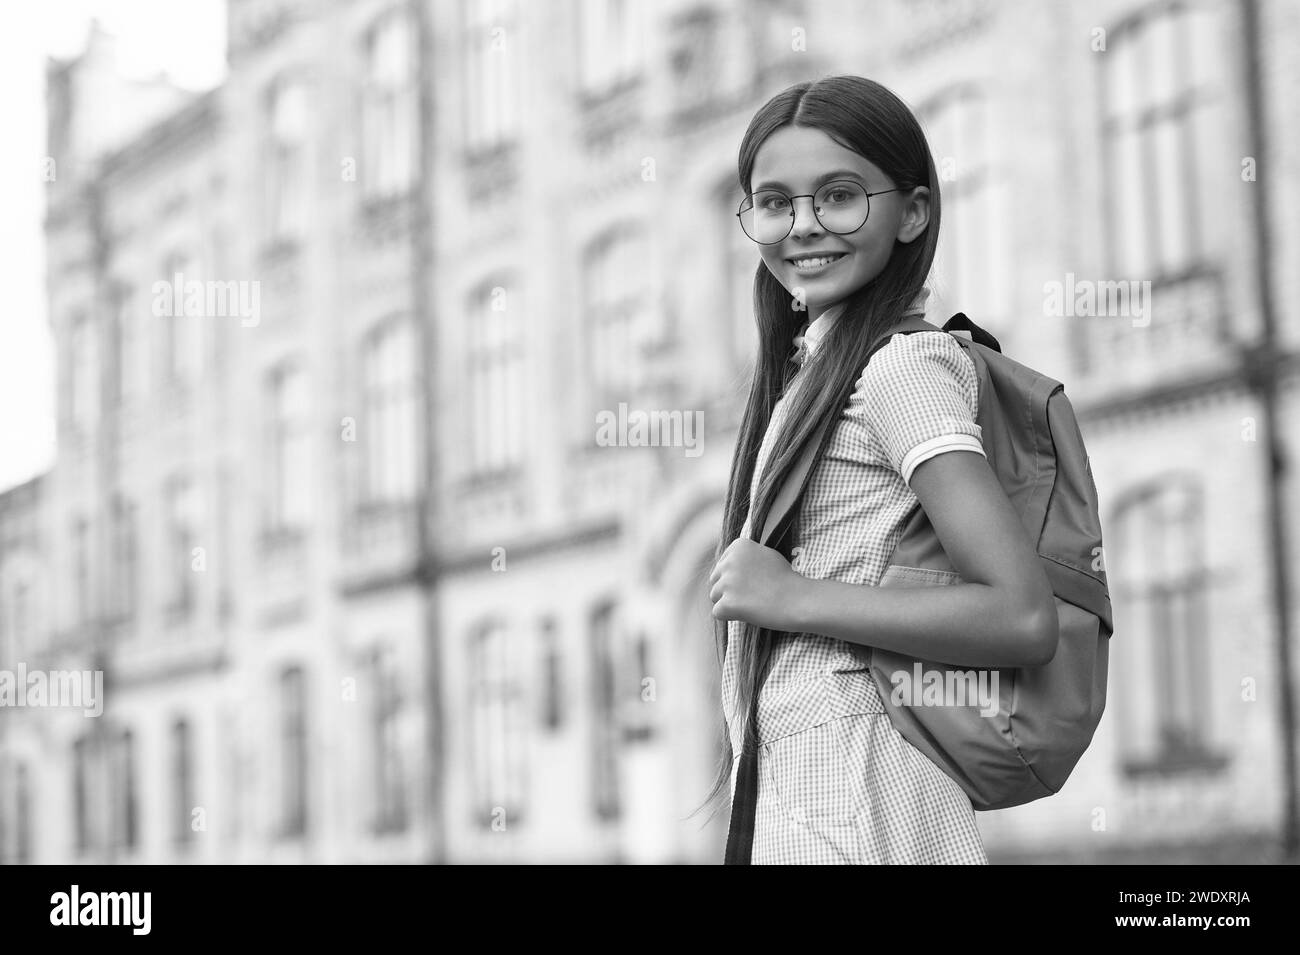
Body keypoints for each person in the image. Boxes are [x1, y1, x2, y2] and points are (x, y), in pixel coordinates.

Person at [703, 75, 1059, 864]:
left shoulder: (897, 369)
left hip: (859, 793)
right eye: (773, 202)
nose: (802, 226)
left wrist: (795, 597)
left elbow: (1022, 616)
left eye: (838, 196)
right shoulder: (812, 374)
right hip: (816, 789)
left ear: (914, 212)